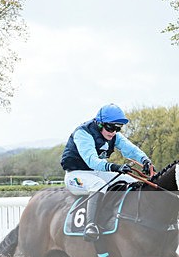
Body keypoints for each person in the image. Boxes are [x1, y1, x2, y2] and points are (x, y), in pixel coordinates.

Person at [60, 103, 152, 241]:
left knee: (134, 182)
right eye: (110, 127)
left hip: (96, 172)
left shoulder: (114, 134)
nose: (114, 132)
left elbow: (131, 149)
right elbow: (92, 161)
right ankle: (90, 226)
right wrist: (116, 167)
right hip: (76, 175)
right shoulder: (83, 133)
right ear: (100, 124)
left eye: (118, 128)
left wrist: (145, 160)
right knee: (97, 184)